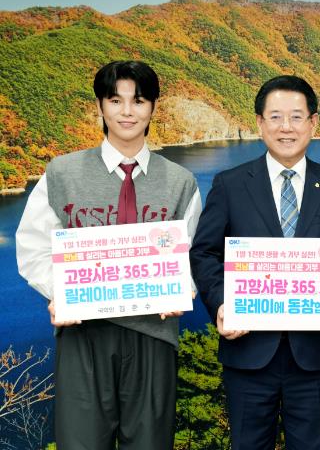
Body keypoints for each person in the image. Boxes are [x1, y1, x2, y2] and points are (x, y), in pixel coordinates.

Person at [16, 60, 201, 449]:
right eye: (116, 100)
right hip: (83, 333)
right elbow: (33, 245)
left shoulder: (181, 181)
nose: (127, 111)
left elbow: (192, 252)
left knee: (151, 443)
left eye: (139, 101)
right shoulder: (61, 173)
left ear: (153, 107)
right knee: (80, 442)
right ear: (99, 106)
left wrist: (182, 288)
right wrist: (59, 291)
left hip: (154, 334)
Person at [190, 75, 320, 450]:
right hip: (248, 351)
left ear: (313, 123)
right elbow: (204, 252)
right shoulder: (230, 184)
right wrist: (220, 303)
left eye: (297, 117)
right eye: (276, 117)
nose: (286, 127)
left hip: (314, 354)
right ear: (259, 123)